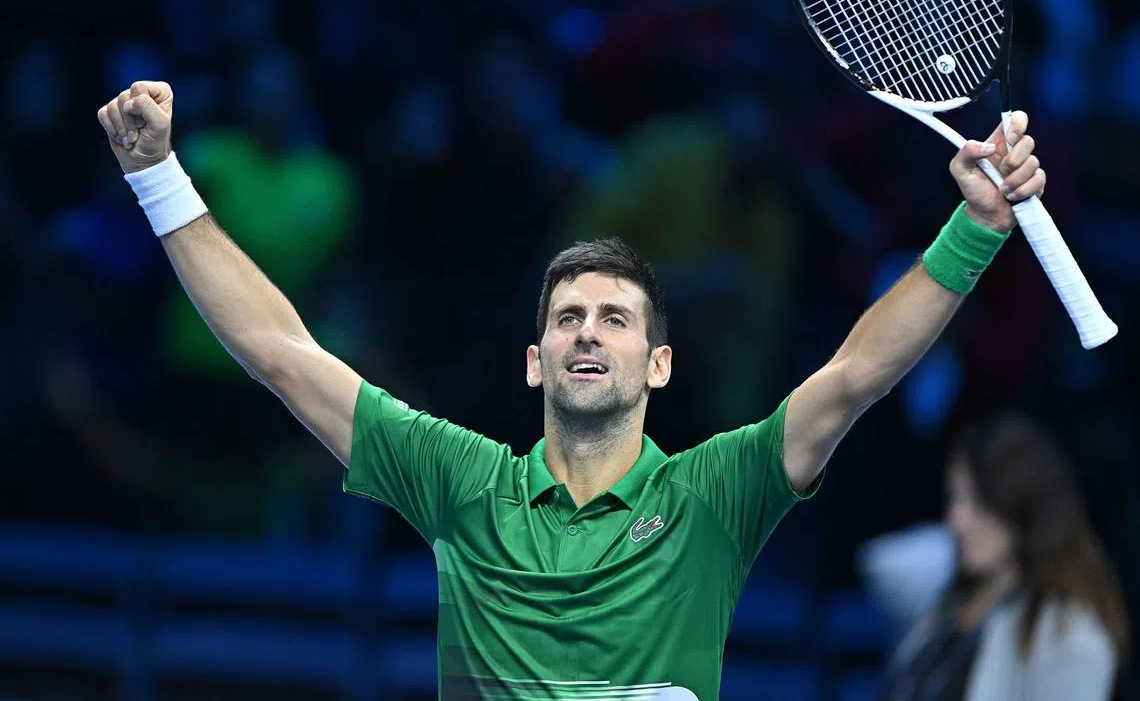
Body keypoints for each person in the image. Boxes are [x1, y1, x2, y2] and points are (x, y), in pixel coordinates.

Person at [97, 80, 1047, 699]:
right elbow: (281, 352)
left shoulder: (712, 496)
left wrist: (974, 231)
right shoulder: (461, 484)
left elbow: (854, 378)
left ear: (659, 366)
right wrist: (159, 179)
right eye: (567, 319)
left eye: (617, 319)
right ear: (536, 361)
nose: (588, 331)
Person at [860, 416, 1129, 701]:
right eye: (954, 499)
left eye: (978, 501)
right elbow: (875, 561)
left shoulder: (1068, 630)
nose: (956, 519)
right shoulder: (949, 603)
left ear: (1023, 504)